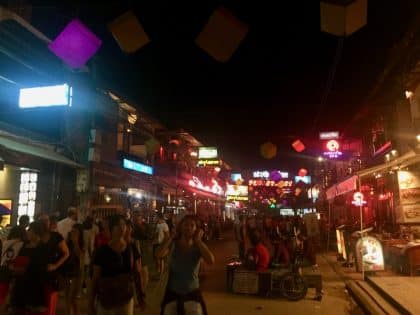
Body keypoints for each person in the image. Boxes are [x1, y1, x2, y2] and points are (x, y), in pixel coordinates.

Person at [156, 215, 215, 315]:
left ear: (196, 229)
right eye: (186, 225)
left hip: (192, 292)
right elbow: (159, 254)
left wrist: (199, 241)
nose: (189, 228)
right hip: (172, 293)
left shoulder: (198, 246)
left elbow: (211, 261)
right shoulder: (173, 245)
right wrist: (170, 237)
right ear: (180, 227)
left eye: (192, 225)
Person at [88, 215, 141, 315]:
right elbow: (95, 278)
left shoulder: (131, 248)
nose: (121, 227)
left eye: (123, 224)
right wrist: (90, 303)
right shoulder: (102, 251)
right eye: (118, 225)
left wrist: (140, 295)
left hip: (125, 299)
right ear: (111, 228)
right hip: (106, 301)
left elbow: (137, 273)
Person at [7, 221, 49, 314]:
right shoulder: (24, 245)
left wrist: (24, 269)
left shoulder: (42, 247)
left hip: (33, 285)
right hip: (20, 284)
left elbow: (40, 267)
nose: (28, 232)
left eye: (30, 230)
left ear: (36, 232)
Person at [39, 213, 70, 315]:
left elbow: (66, 253)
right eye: (41, 221)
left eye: (46, 221)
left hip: (51, 275)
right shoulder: (35, 236)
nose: (44, 223)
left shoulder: (56, 236)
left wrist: (56, 265)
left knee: (49, 303)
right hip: (36, 274)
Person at [62, 224, 85, 315]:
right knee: (67, 296)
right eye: (72, 231)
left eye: (75, 231)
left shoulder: (81, 242)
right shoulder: (67, 241)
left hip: (77, 271)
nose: (73, 233)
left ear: (80, 233)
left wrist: (75, 242)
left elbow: (80, 256)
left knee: (73, 297)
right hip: (67, 270)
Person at [154, 214, 169, 278]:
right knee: (157, 258)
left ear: (159, 218)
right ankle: (159, 272)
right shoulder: (158, 225)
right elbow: (156, 234)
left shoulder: (165, 225)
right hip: (157, 243)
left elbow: (167, 235)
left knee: (161, 259)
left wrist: (164, 244)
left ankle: (161, 273)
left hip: (162, 243)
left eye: (156, 218)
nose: (156, 219)